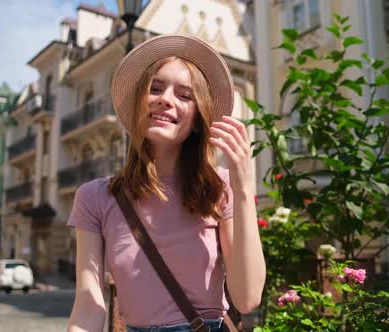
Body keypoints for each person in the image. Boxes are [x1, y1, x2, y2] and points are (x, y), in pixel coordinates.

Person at [67, 34, 266, 332]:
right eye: (155, 88)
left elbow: (248, 297)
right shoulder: (95, 197)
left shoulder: (220, 189)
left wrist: (243, 187)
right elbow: (89, 304)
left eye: (185, 95)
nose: (165, 99)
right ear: (138, 106)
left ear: (198, 118)